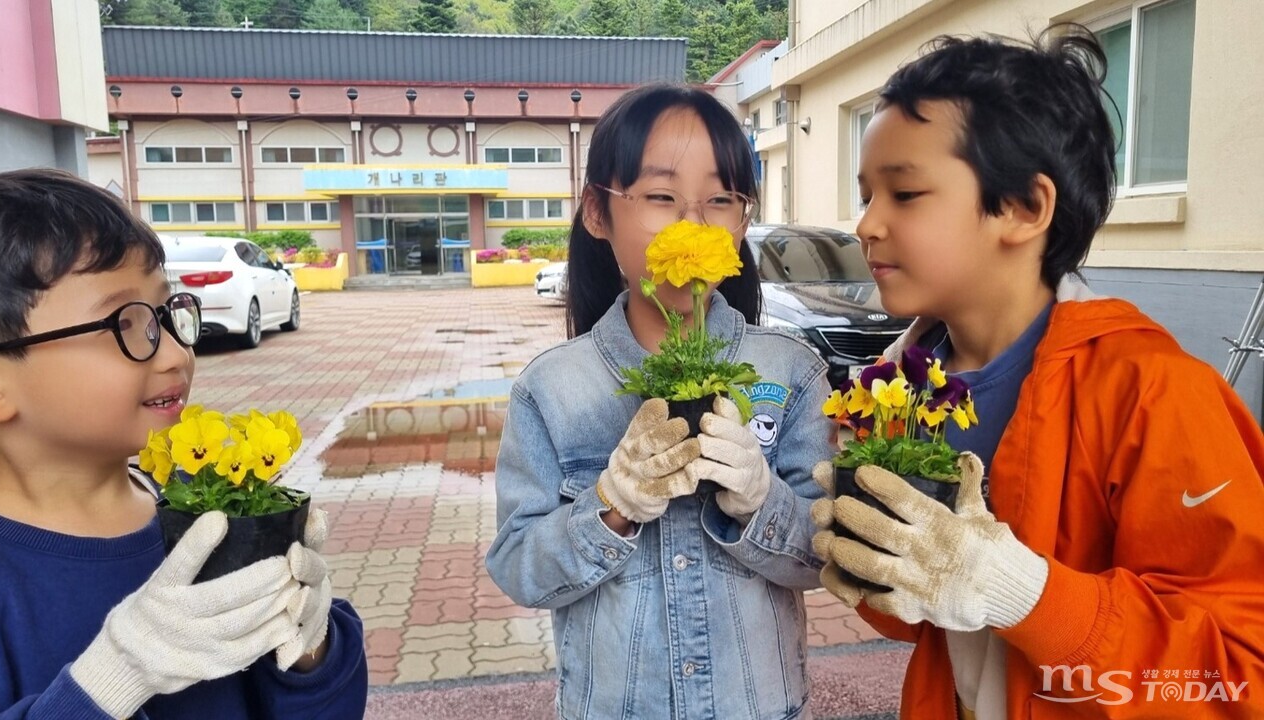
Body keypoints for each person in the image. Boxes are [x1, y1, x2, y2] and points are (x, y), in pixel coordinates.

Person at [809, 26, 1264, 719]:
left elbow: (1238, 678)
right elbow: (925, 625)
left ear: (1024, 209)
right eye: (867, 194)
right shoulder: (893, 389)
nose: (866, 224)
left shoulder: (1156, 395)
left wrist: (1024, 594)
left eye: (904, 194)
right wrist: (875, 567)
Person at [484, 84, 834, 719]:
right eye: (662, 197)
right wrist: (610, 507)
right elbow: (519, 568)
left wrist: (762, 501)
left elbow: (821, 559)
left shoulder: (791, 372)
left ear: (742, 221)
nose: (693, 225)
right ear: (597, 212)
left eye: (720, 199)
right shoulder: (553, 389)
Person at [0, 169, 368, 719]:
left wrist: (312, 651)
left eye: (166, 313)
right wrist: (110, 681)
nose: (172, 354)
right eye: (124, 324)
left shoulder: (207, 506)